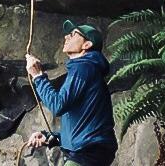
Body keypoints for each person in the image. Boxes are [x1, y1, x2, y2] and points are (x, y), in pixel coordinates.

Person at [23, 20, 117, 166]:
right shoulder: (86, 69)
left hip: (88, 152)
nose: (66, 37)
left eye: (73, 34)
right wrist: (50, 137)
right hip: (90, 151)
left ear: (87, 45)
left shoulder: (84, 68)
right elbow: (82, 126)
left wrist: (38, 76)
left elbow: (58, 105)